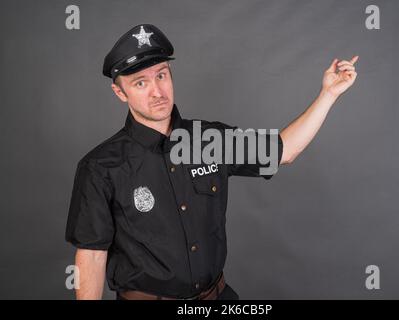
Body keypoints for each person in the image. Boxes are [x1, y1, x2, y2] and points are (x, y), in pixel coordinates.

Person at [65, 23, 358, 300]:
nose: (157, 91)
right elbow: (91, 256)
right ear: (120, 92)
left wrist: (328, 94)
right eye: (140, 82)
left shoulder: (211, 140)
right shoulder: (101, 167)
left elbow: (284, 151)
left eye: (162, 75)